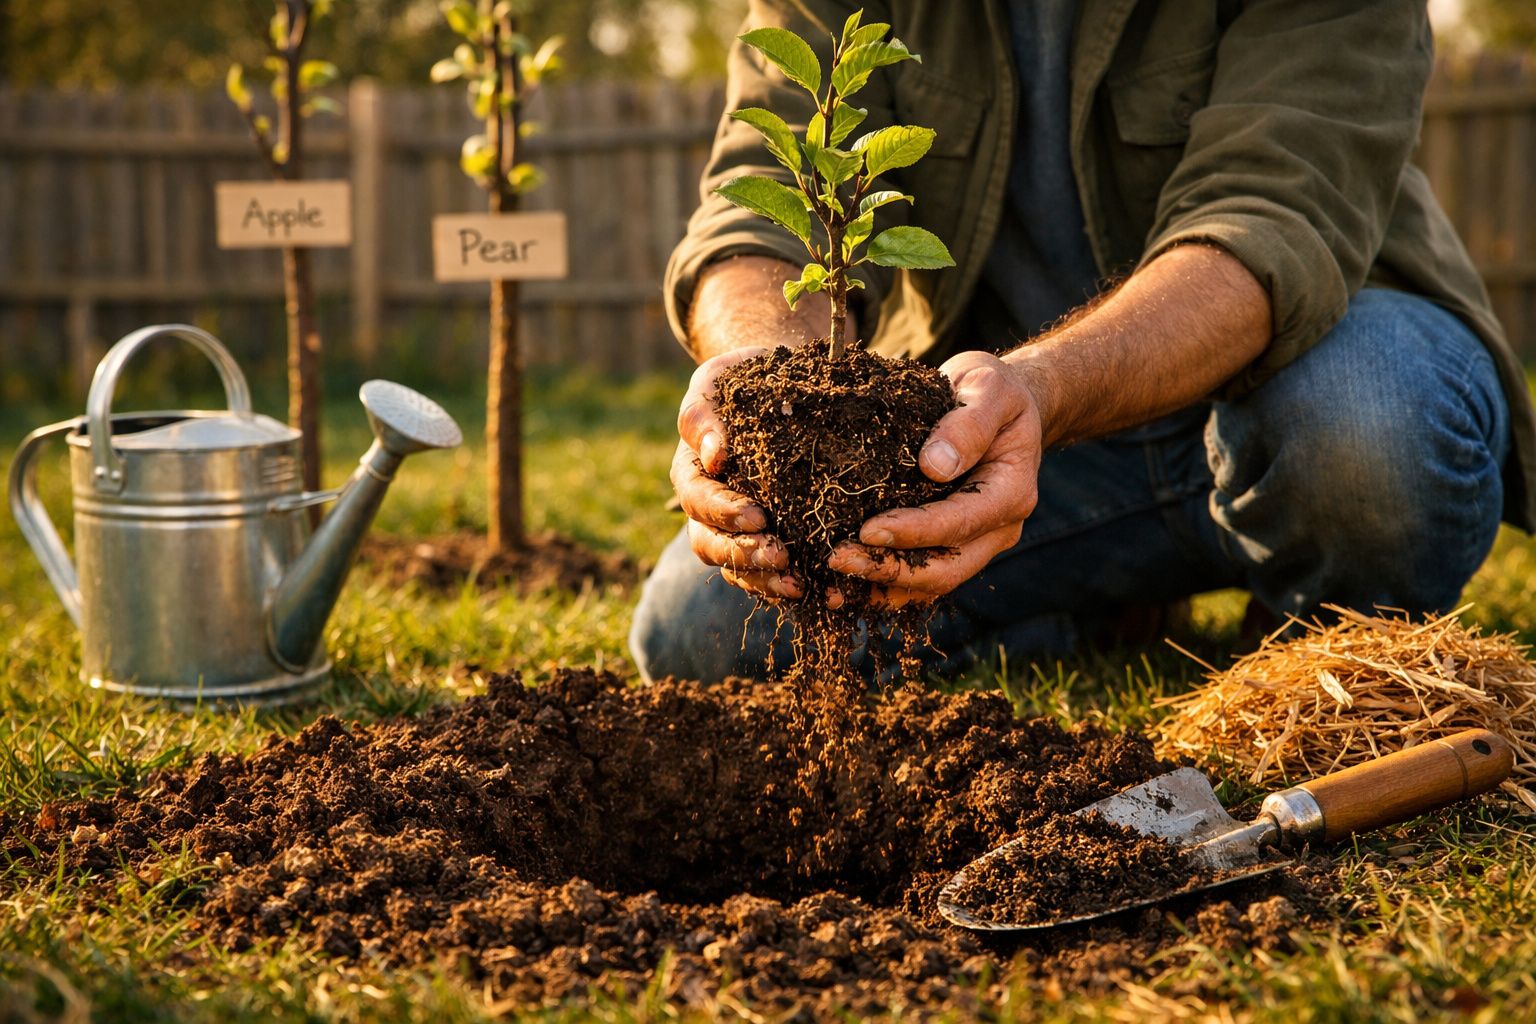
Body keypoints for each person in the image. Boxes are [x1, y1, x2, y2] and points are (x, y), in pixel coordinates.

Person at [629, 0, 1536, 684]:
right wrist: (754, 383)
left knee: (1368, 435)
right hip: (994, 444)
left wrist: (1041, 388)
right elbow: (755, 201)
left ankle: (1322, 627)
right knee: (699, 633)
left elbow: (1268, 215)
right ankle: (1091, 607)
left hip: (1297, 377)